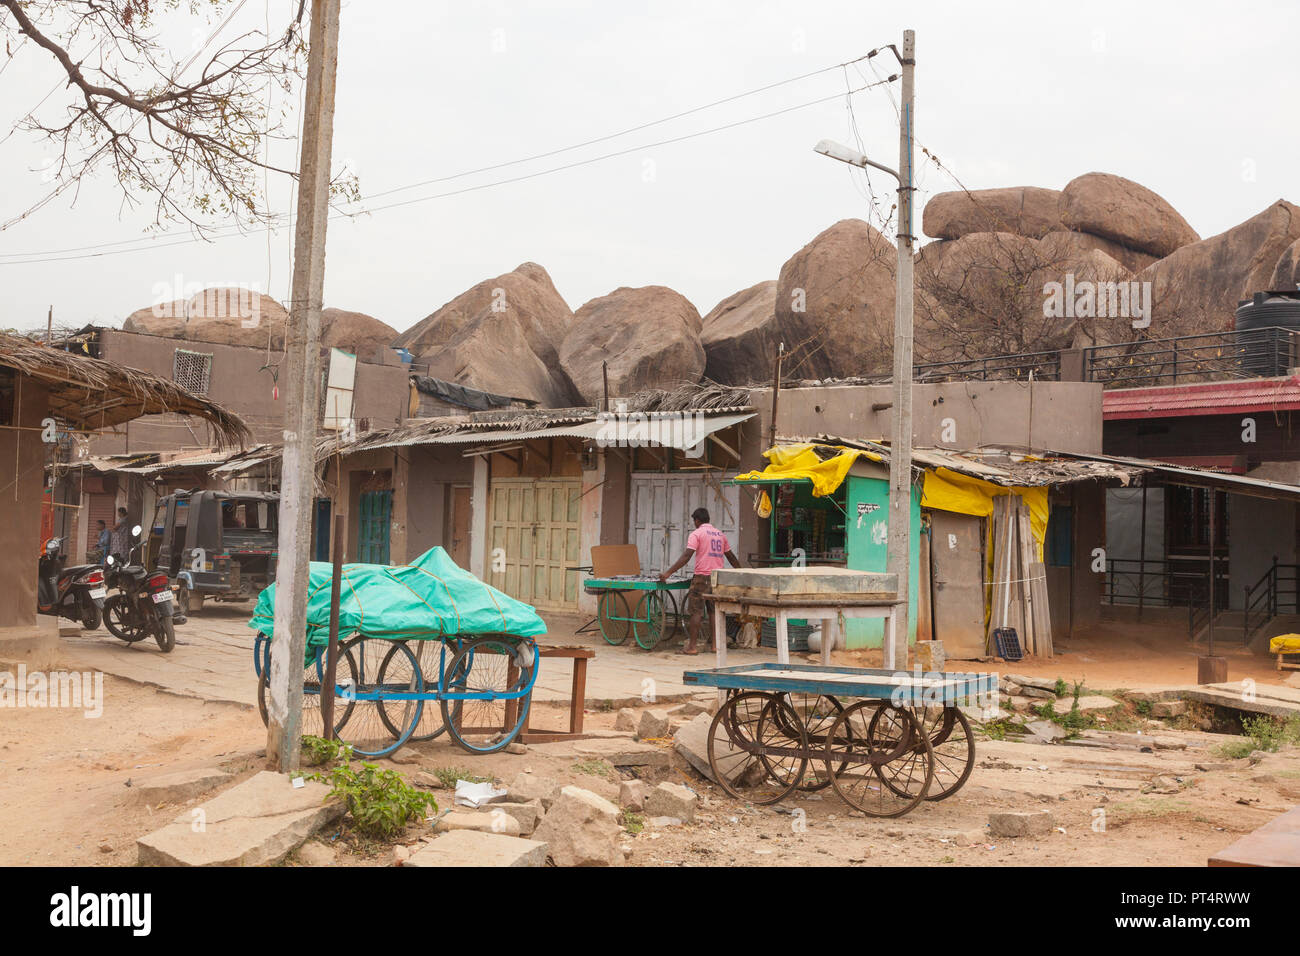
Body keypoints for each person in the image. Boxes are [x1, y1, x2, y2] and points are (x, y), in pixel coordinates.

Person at [659, 507, 740, 655]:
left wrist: (668, 573)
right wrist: (741, 571)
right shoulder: (720, 534)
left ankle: (692, 647)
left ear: (697, 520)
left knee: (696, 612)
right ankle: (715, 646)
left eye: (694, 521)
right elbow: (731, 557)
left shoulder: (697, 534)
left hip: (701, 577)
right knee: (713, 611)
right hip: (717, 577)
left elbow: (686, 556)